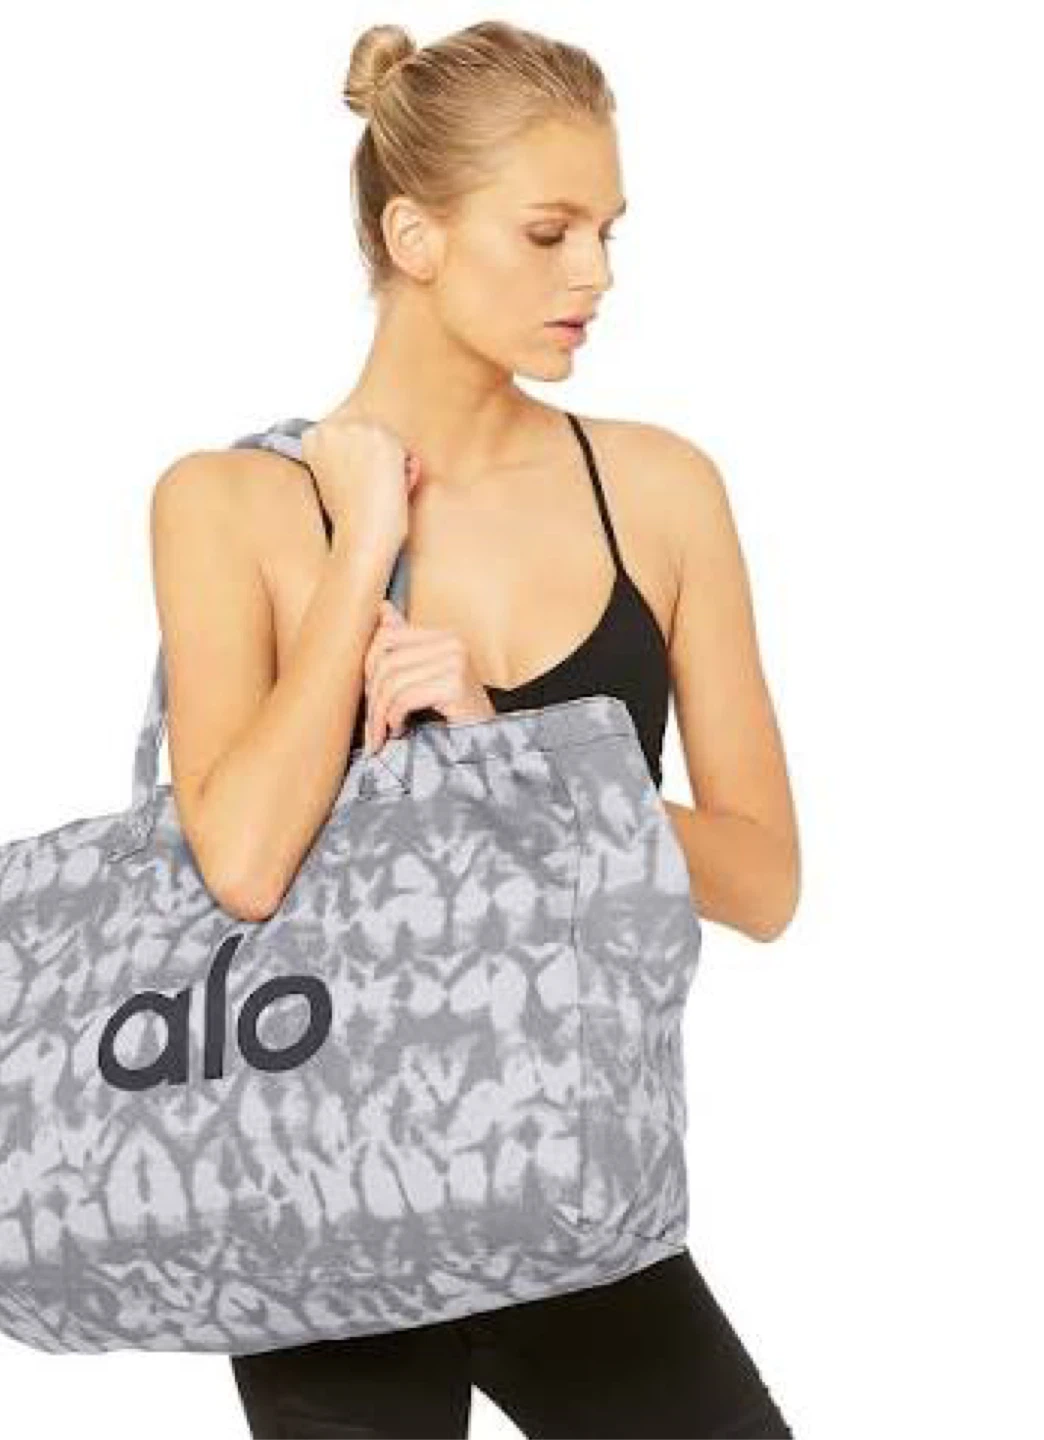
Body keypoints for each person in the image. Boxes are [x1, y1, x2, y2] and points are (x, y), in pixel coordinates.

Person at [150, 18, 800, 1439]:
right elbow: (241, 865)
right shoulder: (230, 504)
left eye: (609, 232)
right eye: (551, 232)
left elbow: (764, 881)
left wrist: (515, 746)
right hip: (319, 1209)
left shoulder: (660, 492)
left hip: (579, 1183)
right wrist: (365, 546)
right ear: (416, 234)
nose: (597, 274)